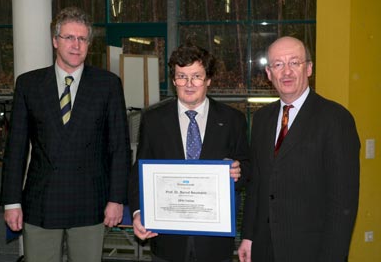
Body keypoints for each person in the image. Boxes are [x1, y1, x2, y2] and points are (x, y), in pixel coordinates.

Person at [0, 7, 130, 262]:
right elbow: (16, 148)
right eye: (69, 37)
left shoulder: (108, 85)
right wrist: (12, 201)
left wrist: (117, 199)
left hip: (90, 200)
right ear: (55, 41)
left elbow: (119, 148)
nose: (76, 45)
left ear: (89, 44)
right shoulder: (29, 85)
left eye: (82, 39)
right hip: (42, 201)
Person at [238, 36, 360, 262]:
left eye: (294, 62)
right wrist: (248, 237)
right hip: (265, 248)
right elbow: (257, 185)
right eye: (278, 64)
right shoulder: (262, 119)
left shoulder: (336, 119)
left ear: (309, 68)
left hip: (312, 251)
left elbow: (343, 202)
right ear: (268, 73)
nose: (286, 72)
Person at [128, 43, 250, 262]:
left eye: (196, 76)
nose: (189, 84)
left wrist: (237, 172)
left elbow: (248, 168)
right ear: (174, 81)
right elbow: (140, 171)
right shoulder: (153, 119)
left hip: (214, 241)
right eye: (182, 76)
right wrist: (138, 213)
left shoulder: (233, 120)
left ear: (209, 80)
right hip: (167, 239)